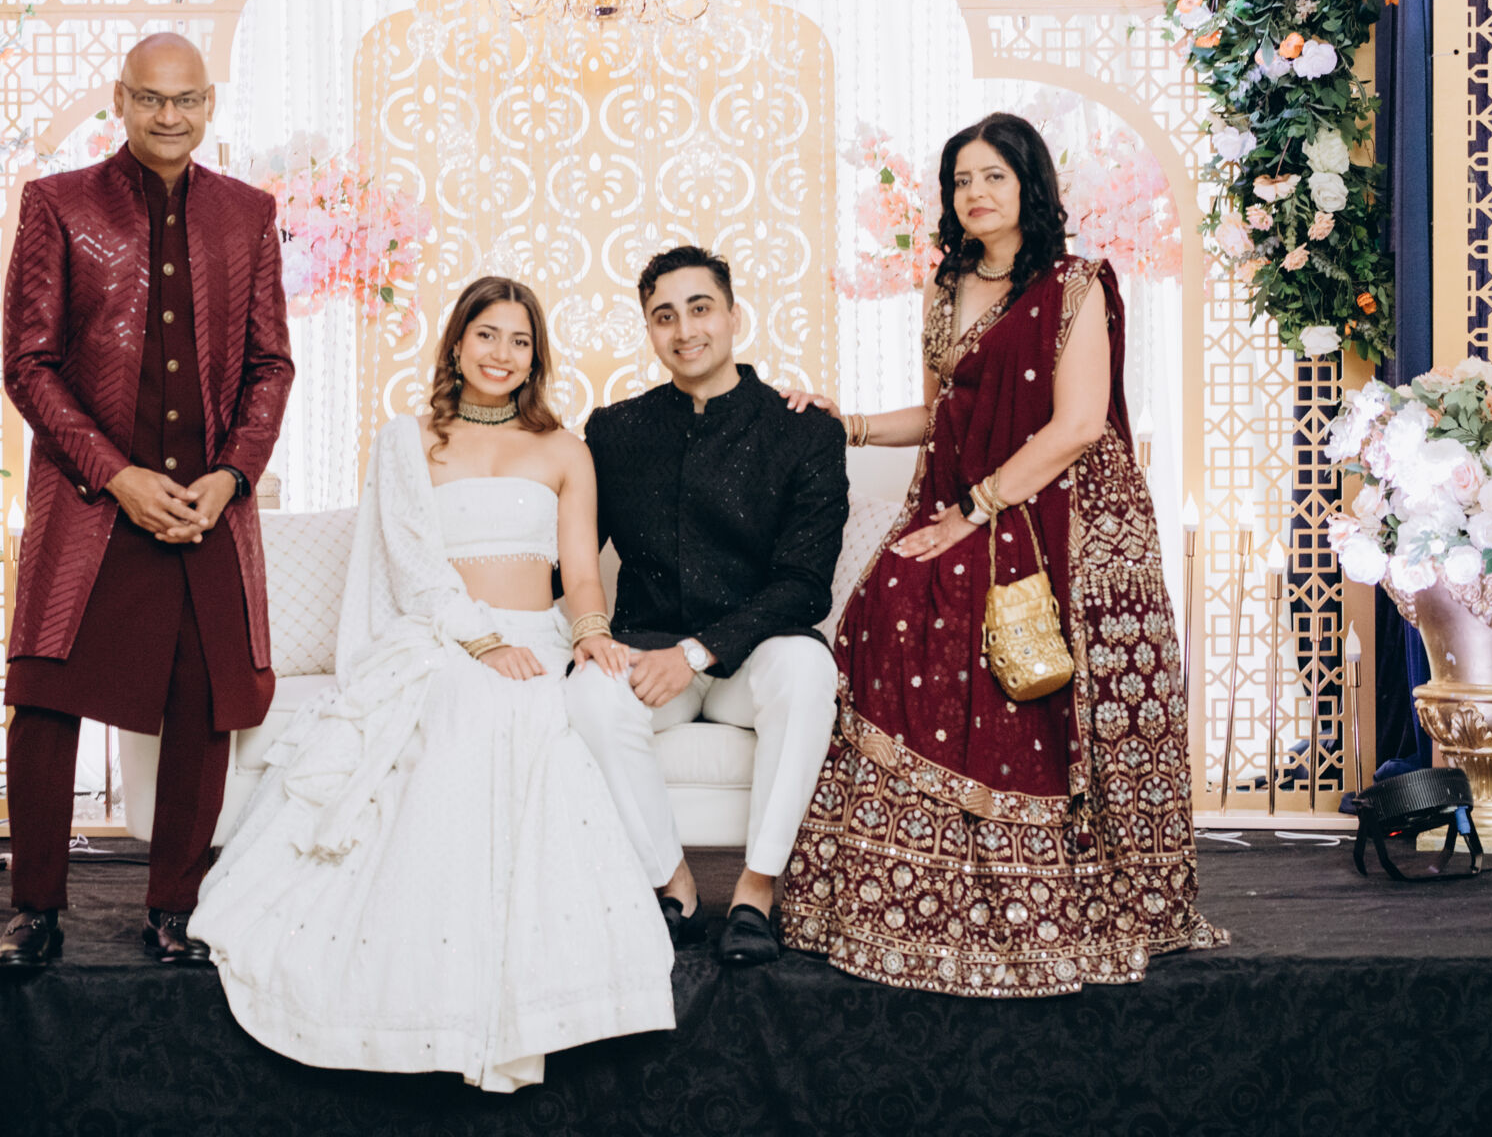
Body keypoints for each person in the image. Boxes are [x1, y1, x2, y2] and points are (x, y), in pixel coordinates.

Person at [189, 277, 675, 1093]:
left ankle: (547, 993)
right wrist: (480, 640)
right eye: (487, 334)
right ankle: (421, 994)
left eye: (519, 341)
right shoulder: (408, 441)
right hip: (446, 634)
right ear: (456, 342)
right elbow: (413, 567)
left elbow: (582, 574)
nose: (501, 354)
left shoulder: (565, 450)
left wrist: (592, 633)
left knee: (541, 717)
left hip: (536, 637)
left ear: (535, 358)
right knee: (465, 709)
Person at [779, 112, 1225, 996]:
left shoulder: (1076, 285)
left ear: (1030, 186)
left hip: (1060, 515)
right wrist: (847, 424)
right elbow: (940, 414)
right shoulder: (946, 287)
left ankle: (1042, 881)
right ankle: (908, 884)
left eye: (993, 176)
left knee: (966, 614)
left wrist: (974, 513)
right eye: (961, 181)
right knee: (889, 597)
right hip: (965, 500)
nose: (975, 194)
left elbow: (1079, 424)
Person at [0, 33, 293, 972]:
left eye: (186, 99)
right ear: (119, 100)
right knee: (46, 698)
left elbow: (271, 366)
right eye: (151, 98)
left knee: (204, 702)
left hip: (205, 505)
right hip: (94, 502)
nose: (170, 116)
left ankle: (175, 909)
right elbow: (28, 365)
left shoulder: (248, 214)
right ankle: (36, 910)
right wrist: (115, 475)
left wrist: (230, 477)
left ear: (210, 105)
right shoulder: (58, 204)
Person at [563, 245, 849, 967]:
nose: (684, 330)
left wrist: (695, 654)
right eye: (664, 316)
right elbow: (574, 556)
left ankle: (756, 890)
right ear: (649, 331)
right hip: (645, 651)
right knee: (589, 693)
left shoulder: (803, 429)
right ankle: (674, 886)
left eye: (700, 309)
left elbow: (805, 584)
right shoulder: (613, 432)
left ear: (733, 316)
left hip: (752, 658)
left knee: (810, 671)